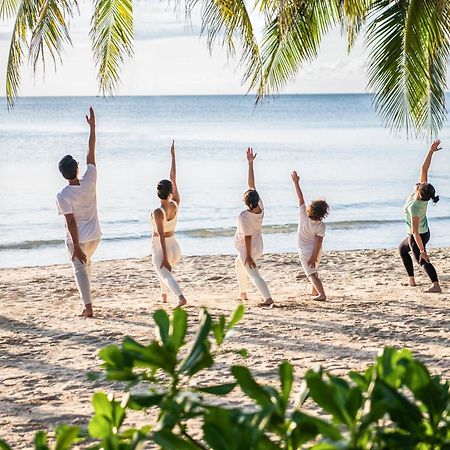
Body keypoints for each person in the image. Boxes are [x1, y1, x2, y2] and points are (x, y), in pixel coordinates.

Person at [56, 107, 101, 317]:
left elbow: (71, 223)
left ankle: (88, 307)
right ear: (77, 168)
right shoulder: (90, 178)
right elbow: (91, 152)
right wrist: (92, 127)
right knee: (86, 265)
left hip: (79, 240)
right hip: (95, 237)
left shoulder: (63, 195)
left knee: (79, 268)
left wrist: (75, 246)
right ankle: (88, 303)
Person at [399, 140, 442, 293]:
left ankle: (436, 285)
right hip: (421, 232)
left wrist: (422, 250)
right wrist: (431, 151)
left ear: (420, 191)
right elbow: (424, 168)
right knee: (402, 250)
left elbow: (415, 232)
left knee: (421, 259)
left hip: (419, 235)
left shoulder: (415, 207)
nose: (418, 184)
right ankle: (411, 280)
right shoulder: (421, 195)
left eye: (419, 185)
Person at [234, 147, 274, 307]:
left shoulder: (244, 216)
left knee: (253, 273)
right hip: (258, 244)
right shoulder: (261, 207)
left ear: (248, 204)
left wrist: (249, 256)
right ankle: (243, 293)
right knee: (238, 264)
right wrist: (250, 163)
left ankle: (268, 298)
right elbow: (252, 184)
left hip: (248, 248)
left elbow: (247, 237)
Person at [150, 140, 187, 308]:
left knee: (164, 273)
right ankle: (163, 296)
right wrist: (173, 157)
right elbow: (174, 178)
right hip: (175, 247)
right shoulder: (176, 203)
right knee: (163, 272)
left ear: (158, 194)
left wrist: (165, 257)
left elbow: (161, 238)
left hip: (163, 246)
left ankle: (180, 297)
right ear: (171, 192)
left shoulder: (158, 212)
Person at [291, 170, 329, 301]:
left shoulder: (303, 214)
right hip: (315, 251)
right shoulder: (321, 225)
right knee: (314, 270)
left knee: (310, 274)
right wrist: (314, 256)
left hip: (307, 251)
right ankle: (315, 291)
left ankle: (322, 294)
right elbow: (319, 242)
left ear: (311, 208)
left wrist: (296, 182)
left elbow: (300, 198)